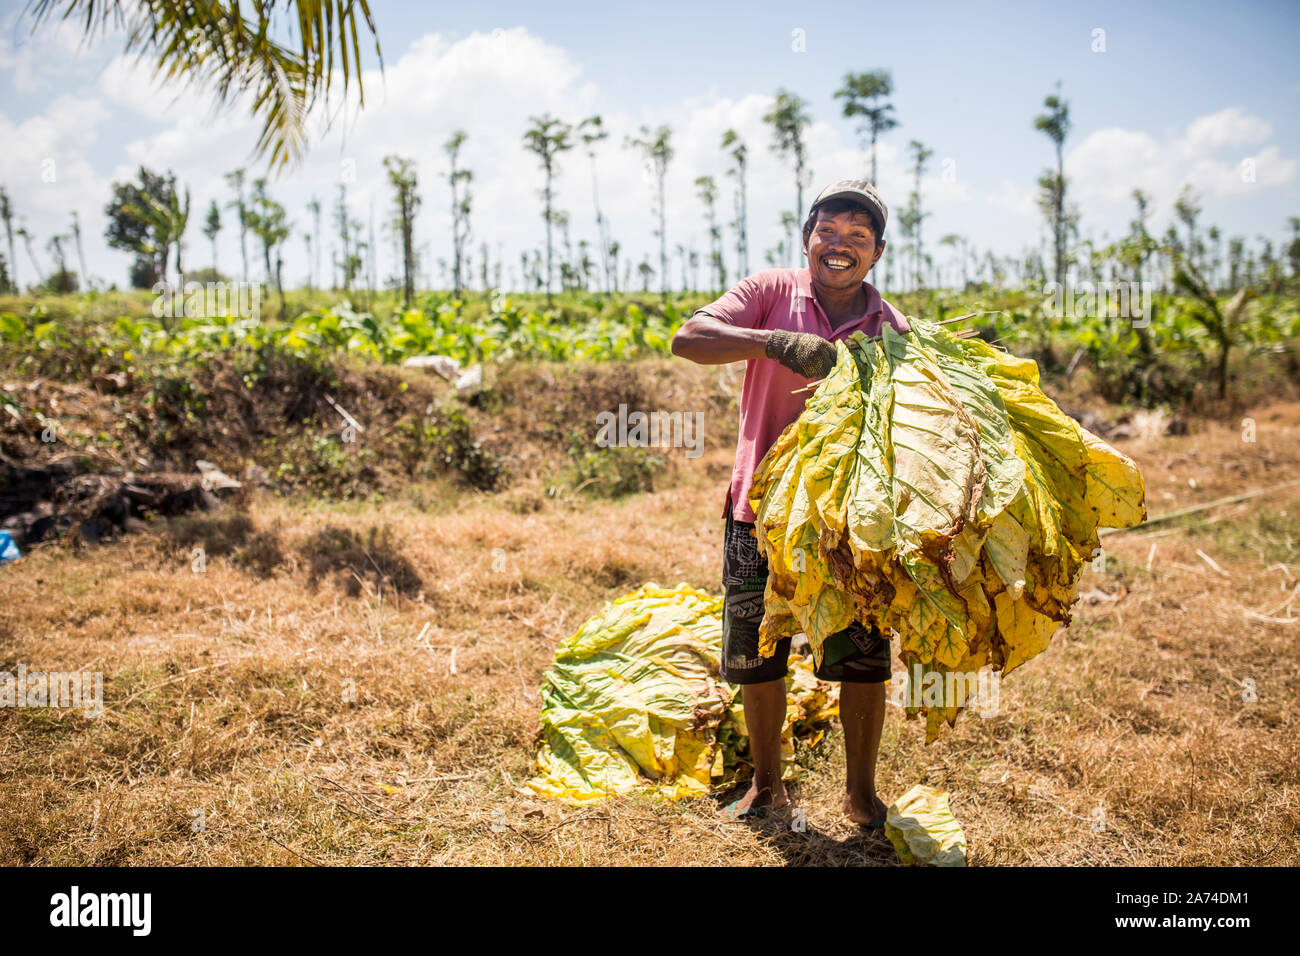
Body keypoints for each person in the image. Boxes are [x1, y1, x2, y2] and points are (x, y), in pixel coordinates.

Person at [670, 179, 910, 826]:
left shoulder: (891, 328)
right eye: (827, 232)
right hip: (759, 506)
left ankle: (860, 794)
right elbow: (688, 338)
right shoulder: (771, 293)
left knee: (862, 654)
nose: (840, 246)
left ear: (877, 253)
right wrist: (771, 342)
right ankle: (767, 787)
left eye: (858, 237)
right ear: (808, 240)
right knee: (756, 652)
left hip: (846, 518)